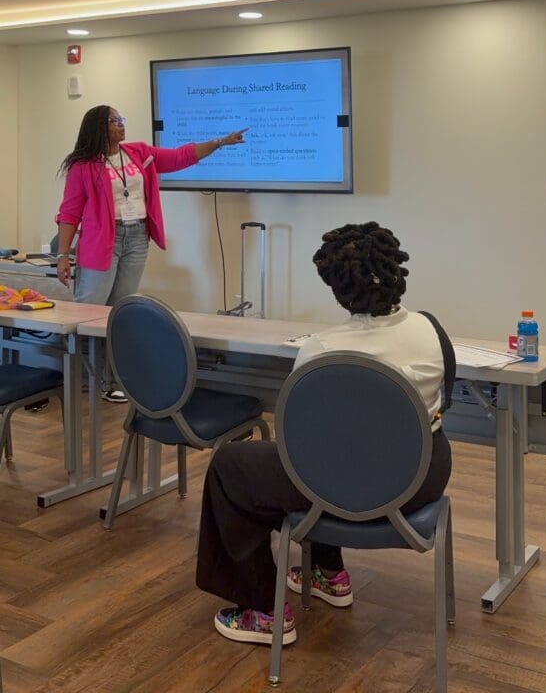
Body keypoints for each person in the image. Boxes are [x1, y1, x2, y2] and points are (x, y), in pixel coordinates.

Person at [196, 222, 454, 646]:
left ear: (337, 288)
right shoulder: (431, 329)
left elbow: (300, 436)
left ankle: (262, 610)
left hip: (345, 489)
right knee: (335, 456)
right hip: (420, 481)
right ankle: (326, 572)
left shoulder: (320, 350)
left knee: (234, 465)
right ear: (395, 270)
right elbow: (448, 401)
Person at [56, 105, 246, 400]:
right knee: (89, 313)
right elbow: (69, 213)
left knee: (120, 313)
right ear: (98, 127)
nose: (121, 124)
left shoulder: (138, 152)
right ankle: (82, 380)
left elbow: (180, 156)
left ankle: (113, 382)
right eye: (115, 121)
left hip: (136, 237)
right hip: (101, 242)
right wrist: (62, 255)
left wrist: (220, 142)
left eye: (122, 119)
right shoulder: (83, 166)